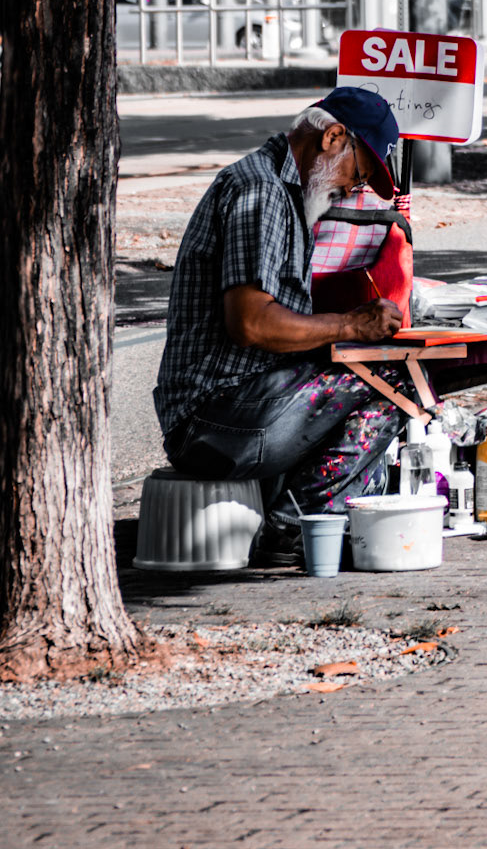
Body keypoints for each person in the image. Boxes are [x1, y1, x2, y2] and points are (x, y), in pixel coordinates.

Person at [152, 86, 406, 564]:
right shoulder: (261, 192)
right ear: (333, 138)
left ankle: (301, 518)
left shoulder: (288, 194)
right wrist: (348, 326)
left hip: (242, 403)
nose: (353, 190)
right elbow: (251, 323)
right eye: (360, 174)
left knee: (380, 375)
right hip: (211, 417)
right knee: (394, 386)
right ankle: (293, 529)